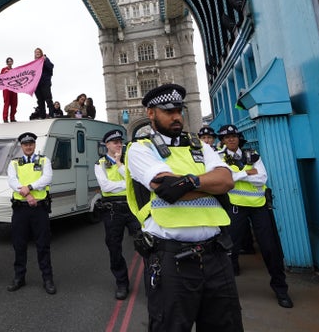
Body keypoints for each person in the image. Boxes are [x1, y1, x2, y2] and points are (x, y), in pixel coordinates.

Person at [125, 84, 242, 331]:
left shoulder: (201, 146)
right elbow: (168, 189)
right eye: (168, 111)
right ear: (151, 113)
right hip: (171, 259)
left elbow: (227, 181)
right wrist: (206, 182)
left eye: (179, 110)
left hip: (216, 256)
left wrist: (190, 182)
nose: (177, 116)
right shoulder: (140, 148)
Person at [217, 124, 293, 309]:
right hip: (235, 207)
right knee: (229, 248)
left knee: (270, 248)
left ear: (239, 138)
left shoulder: (252, 154)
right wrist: (247, 173)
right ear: (223, 141)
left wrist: (238, 174)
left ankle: (281, 289)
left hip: (258, 206)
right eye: (227, 138)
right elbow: (227, 179)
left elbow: (262, 178)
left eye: (234, 136)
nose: (231, 139)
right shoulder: (218, 157)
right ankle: (225, 291)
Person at [6, 132, 56, 295]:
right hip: (21, 209)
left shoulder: (44, 160)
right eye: (25, 144)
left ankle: (47, 279)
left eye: (31, 144)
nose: (28, 147)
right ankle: (19, 278)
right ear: (21, 146)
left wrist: (30, 187)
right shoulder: (14, 163)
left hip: (39, 209)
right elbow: (12, 182)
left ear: (35, 145)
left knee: (43, 245)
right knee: (19, 244)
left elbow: (47, 178)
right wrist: (27, 195)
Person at [94, 129, 140, 300]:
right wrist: (126, 183)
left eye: (120, 142)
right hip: (112, 210)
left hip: (131, 207)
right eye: (115, 142)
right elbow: (106, 187)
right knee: (114, 247)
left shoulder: (127, 161)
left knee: (145, 243)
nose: (119, 144)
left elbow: (135, 180)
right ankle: (122, 282)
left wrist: (120, 163)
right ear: (107, 145)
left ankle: (155, 278)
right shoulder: (99, 164)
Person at [33, 47, 54, 118]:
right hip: (37, 84)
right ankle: (42, 115)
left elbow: (51, 67)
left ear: (41, 53)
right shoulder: (33, 63)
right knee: (40, 100)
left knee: (48, 99)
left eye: (38, 52)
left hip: (45, 83)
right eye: (36, 52)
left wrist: (45, 61)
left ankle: (51, 114)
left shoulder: (45, 59)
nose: (37, 53)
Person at [1, 57, 18, 122]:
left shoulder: (14, 70)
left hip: (13, 88)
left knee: (14, 103)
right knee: (7, 103)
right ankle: (5, 118)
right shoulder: (4, 69)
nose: (10, 62)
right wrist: (5, 73)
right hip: (6, 88)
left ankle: (12, 118)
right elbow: (0, 78)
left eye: (11, 61)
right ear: (7, 62)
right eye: (9, 61)